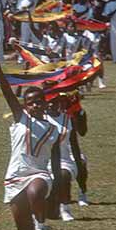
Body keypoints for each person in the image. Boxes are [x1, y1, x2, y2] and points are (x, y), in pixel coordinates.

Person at [0, 55, 60, 230]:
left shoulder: (53, 129)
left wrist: (56, 192)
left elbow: (56, 161)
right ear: (25, 106)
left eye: (38, 101)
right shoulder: (22, 119)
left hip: (39, 174)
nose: (35, 105)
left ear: (45, 103)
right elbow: (7, 92)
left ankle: (41, 225)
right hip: (15, 175)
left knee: (35, 191)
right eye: (30, 103)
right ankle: (33, 222)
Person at [46, 93, 88, 221]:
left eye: (55, 101)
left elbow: (77, 141)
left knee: (63, 175)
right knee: (50, 212)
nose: (52, 104)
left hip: (64, 159)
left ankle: (67, 207)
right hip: (42, 161)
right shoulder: (38, 118)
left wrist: (79, 165)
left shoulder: (67, 119)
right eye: (49, 101)